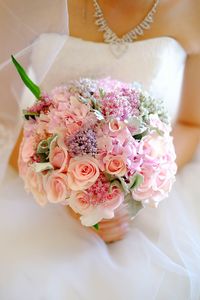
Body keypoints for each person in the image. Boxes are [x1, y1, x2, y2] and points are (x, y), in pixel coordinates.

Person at [0, 0, 200, 299]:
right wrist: (70, 192)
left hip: (150, 185)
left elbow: (191, 123)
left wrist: (133, 191)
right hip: (41, 178)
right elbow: (3, 122)